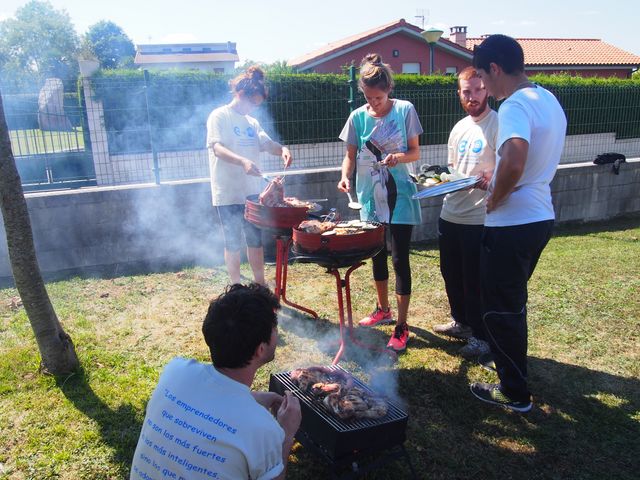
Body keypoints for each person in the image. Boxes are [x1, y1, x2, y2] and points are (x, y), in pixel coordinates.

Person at [469, 35, 567, 412]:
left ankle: (514, 393)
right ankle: (510, 365)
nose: (484, 86)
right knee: (513, 302)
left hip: (512, 224)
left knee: (500, 308)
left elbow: (513, 162)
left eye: (482, 75)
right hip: (540, 216)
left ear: (495, 69)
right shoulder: (547, 98)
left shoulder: (514, 105)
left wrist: (494, 198)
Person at [130, 283, 301, 480]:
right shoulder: (264, 430)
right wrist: (286, 434)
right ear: (260, 349)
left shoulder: (175, 371)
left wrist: (253, 398)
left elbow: (205, 404)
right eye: (274, 327)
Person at [337, 53, 423, 352]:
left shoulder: (404, 110)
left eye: (378, 97)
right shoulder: (357, 117)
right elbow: (349, 155)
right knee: (376, 254)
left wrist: (398, 157)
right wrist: (345, 177)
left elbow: (415, 152)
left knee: (399, 258)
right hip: (369, 197)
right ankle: (383, 309)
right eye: (368, 97)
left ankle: (401, 325)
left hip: (399, 195)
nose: (373, 102)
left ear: (388, 90)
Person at [432, 67, 498, 358]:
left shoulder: (499, 125)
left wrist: (491, 181)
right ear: (459, 93)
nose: (472, 97)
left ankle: (482, 337)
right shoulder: (459, 127)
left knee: (476, 280)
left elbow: (505, 171)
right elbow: (451, 171)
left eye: (478, 90)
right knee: (451, 274)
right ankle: (461, 322)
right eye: (466, 91)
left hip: (479, 217)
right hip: (450, 213)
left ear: (487, 90)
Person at [207, 66, 293, 286]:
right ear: (240, 94)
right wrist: (243, 161)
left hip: (252, 193)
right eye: (253, 102)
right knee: (232, 241)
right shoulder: (219, 116)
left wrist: (282, 149)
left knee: (255, 240)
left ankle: (260, 283)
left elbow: (266, 143)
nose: (254, 107)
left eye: (257, 104)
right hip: (227, 191)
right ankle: (236, 285)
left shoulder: (251, 123)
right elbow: (216, 148)